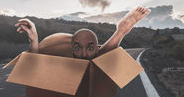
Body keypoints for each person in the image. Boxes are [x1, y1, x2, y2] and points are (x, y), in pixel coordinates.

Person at [15, 6, 151, 60]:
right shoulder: (60, 54)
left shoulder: (97, 55)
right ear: (73, 47)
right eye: (78, 48)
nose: (84, 54)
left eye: (90, 48)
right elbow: (35, 62)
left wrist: (121, 32)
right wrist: (34, 39)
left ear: (96, 48)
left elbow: (101, 56)